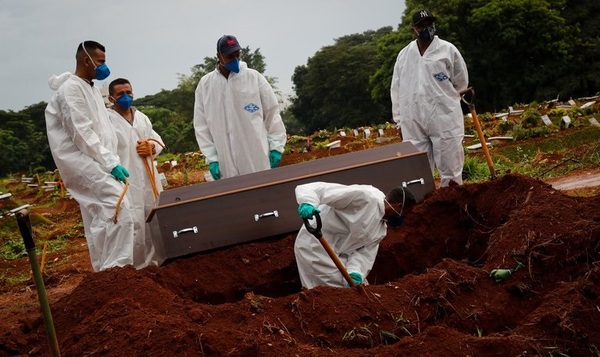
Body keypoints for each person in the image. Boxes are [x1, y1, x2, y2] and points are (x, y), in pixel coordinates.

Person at [45, 41, 136, 272]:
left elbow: (102, 130)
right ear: (87, 60)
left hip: (98, 161)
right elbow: (82, 134)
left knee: (100, 220)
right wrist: (111, 162)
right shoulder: (71, 90)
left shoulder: (91, 88)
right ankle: (116, 271)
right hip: (84, 162)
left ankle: (103, 273)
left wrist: (109, 159)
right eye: (101, 62)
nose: (104, 67)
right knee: (119, 207)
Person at [390, 9, 469, 187]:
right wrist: (399, 120)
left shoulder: (448, 50)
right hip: (413, 118)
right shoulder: (404, 55)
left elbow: (461, 83)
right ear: (414, 29)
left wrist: (444, 100)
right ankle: (424, 208)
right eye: (421, 25)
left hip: (444, 116)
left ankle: (452, 204)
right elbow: (396, 88)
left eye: (429, 24)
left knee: (450, 165)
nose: (426, 28)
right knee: (417, 170)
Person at [193, 35, 287, 180]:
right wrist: (212, 158)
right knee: (235, 200)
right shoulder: (206, 85)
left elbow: (272, 113)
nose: (235, 59)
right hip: (226, 162)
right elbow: (201, 125)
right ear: (219, 56)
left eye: (237, 54)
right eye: (230, 56)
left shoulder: (254, 78)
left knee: (262, 195)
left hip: (257, 157)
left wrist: (276, 147)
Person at [294, 182, 416, 289]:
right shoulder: (366, 197)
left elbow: (363, 254)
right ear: (399, 206)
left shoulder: (380, 229)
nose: (402, 218)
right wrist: (307, 202)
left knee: (360, 288)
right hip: (314, 246)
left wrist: (355, 272)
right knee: (334, 291)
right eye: (405, 213)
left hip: (338, 253)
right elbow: (320, 189)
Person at [108, 78, 165, 268]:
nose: (126, 97)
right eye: (120, 94)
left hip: (149, 180)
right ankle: (138, 268)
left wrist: (150, 147)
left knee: (153, 218)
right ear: (111, 98)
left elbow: (158, 141)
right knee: (134, 224)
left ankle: (158, 263)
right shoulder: (108, 122)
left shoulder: (142, 118)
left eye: (128, 92)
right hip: (126, 180)